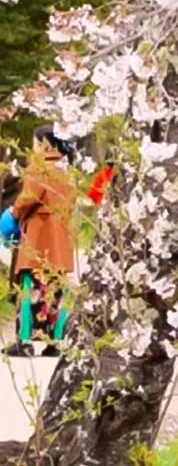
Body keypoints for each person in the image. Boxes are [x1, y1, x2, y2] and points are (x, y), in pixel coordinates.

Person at [6, 127, 77, 357]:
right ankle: (54, 341)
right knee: (55, 289)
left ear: (43, 143)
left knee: (30, 287)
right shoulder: (68, 169)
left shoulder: (40, 168)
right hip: (61, 238)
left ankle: (25, 340)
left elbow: (28, 199)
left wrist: (13, 213)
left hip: (39, 238)